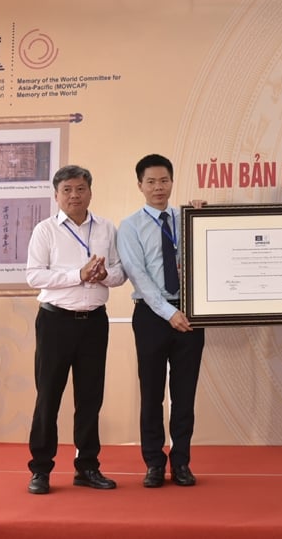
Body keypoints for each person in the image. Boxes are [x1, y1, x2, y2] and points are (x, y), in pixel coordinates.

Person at [25, 165, 126, 495]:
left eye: (80, 189)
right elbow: (34, 276)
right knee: (48, 397)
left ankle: (87, 467)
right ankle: (41, 470)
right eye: (67, 190)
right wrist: (78, 275)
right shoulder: (44, 231)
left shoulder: (106, 228)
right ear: (56, 195)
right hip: (55, 322)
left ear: (90, 192)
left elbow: (120, 272)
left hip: (94, 322)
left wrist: (102, 276)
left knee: (90, 399)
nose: (74, 195)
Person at [117, 153, 205, 488]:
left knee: (185, 394)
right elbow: (138, 276)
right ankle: (154, 462)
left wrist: (206, 216)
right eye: (151, 181)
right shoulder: (130, 226)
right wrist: (169, 314)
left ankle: (181, 461)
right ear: (140, 185)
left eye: (164, 180)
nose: (158, 187)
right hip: (153, 316)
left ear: (172, 182)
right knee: (151, 392)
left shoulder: (188, 217)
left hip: (191, 313)